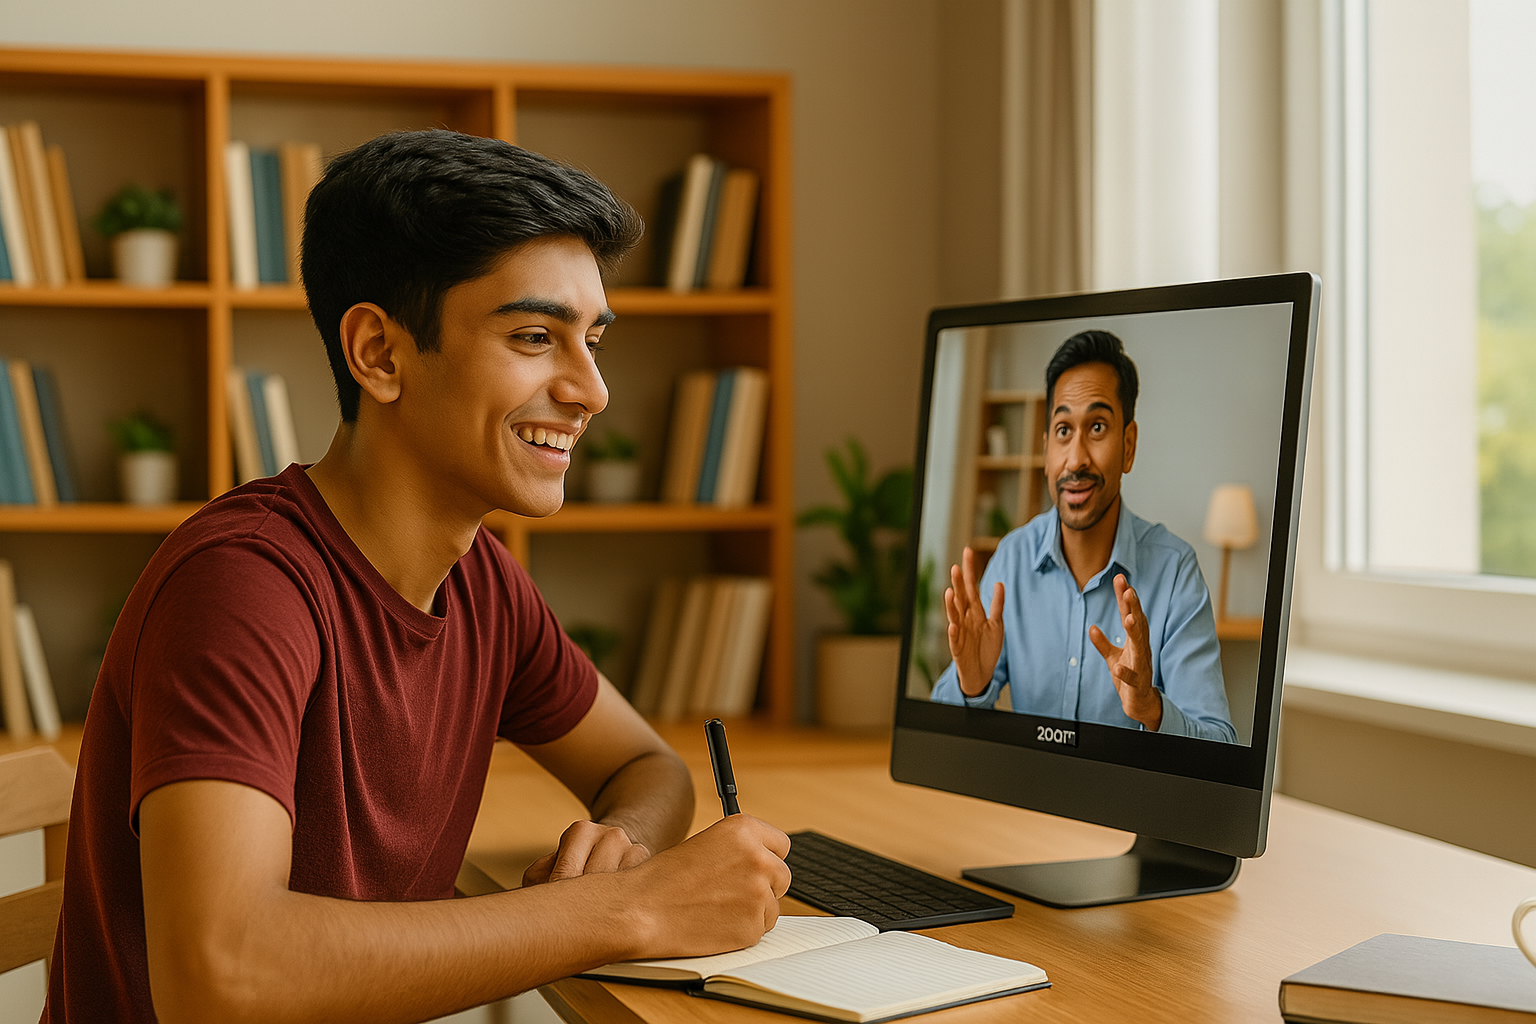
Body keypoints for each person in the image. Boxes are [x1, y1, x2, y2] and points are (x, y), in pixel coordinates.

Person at [43, 130, 791, 1024]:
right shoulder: (242, 588)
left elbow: (645, 764)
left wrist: (620, 847)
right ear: (380, 354)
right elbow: (220, 976)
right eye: (533, 335)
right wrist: (625, 909)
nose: (591, 390)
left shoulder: (484, 583)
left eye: (591, 341)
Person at [931, 330, 1236, 743]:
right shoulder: (1012, 559)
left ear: (1128, 446)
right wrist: (971, 686)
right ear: (1045, 452)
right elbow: (940, 738)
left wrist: (1152, 707)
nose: (1075, 459)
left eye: (1096, 427)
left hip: (1126, 807)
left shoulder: (1174, 571)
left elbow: (1221, 746)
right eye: (1062, 431)